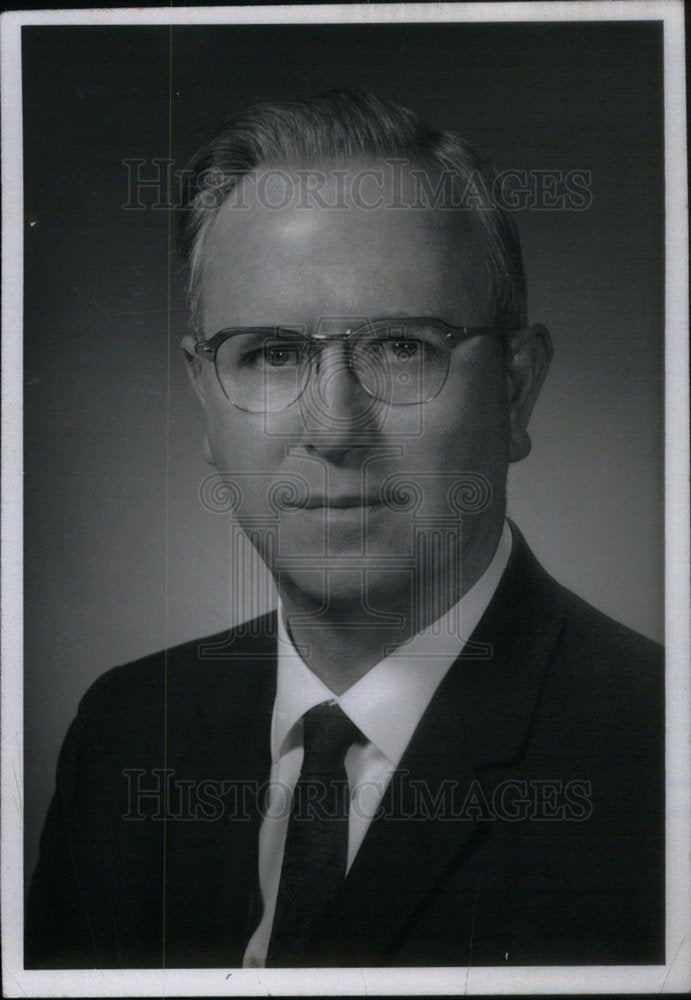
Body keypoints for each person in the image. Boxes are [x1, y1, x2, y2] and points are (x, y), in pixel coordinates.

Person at [25, 91, 664, 969]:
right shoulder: (128, 733)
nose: (333, 427)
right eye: (271, 354)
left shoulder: (662, 755)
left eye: (401, 347)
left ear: (515, 391)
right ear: (205, 401)